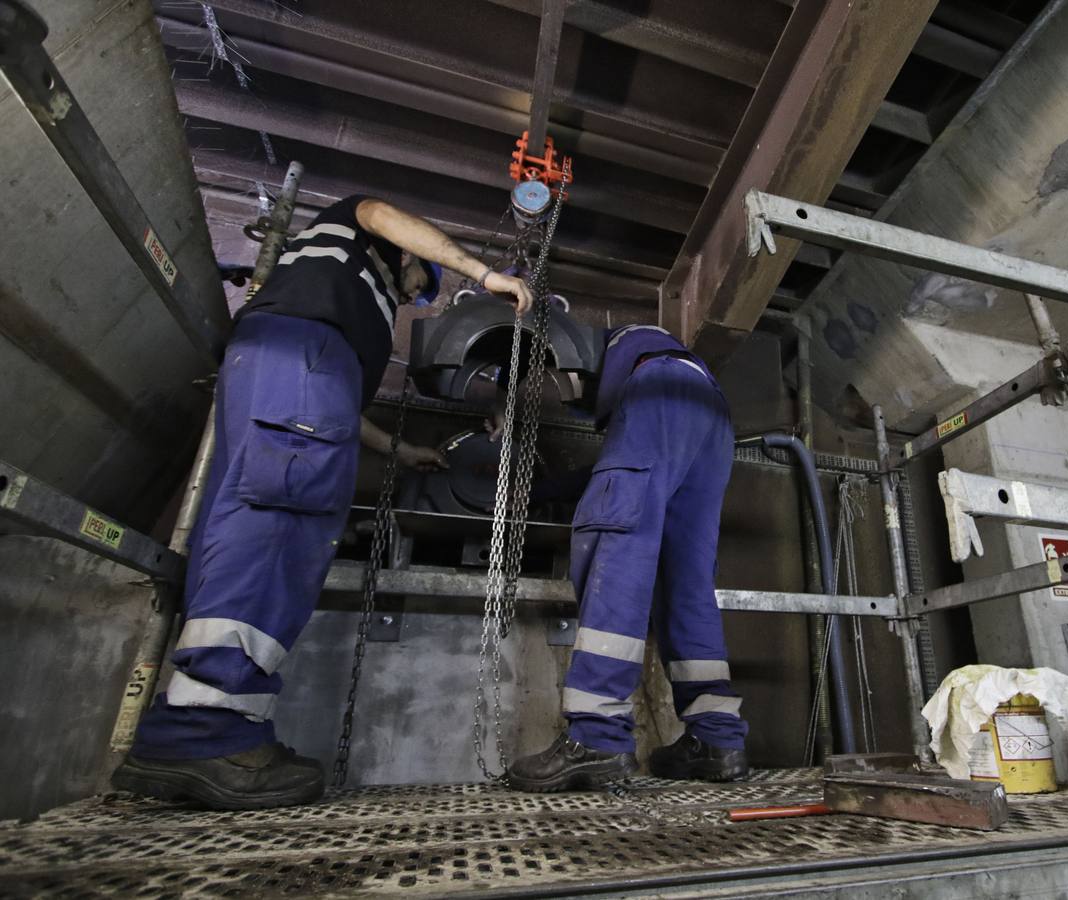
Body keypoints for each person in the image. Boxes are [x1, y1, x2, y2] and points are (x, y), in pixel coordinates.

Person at [112, 195, 532, 810]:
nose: (416, 296)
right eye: (419, 285)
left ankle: (206, 724)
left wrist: (402, 451)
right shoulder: (357, 241)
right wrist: (485, 274)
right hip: (305, 357)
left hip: (285, 370)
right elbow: (385, 211)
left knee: (248, 516)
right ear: (409, 254)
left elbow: (330, 411)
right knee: (280, 523)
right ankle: (204, 733)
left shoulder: (321, 306)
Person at [507, 324, 749, 792]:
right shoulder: (653, 367)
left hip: (664, 390)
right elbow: (620, 466)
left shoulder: (604, 352)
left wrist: (505, 405)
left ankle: (597, 734)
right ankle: (717, 739)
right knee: (687, 582)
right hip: (713, 414)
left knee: (616, 550)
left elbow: (618, 473)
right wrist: (538, 492)